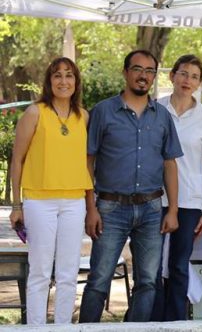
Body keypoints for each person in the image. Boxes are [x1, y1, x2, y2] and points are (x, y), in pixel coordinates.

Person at [79, 50, 183, 323]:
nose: (143, 75)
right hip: (110, 208)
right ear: (125, 72)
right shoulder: (103, 111)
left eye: (149, 71)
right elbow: (87, 162)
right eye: (137, 69)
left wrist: (172, 209)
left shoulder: (162, 116)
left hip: (151, 209)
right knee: (99, 281)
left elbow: (170, 164)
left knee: (148, 282)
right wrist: (90, 208)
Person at [8, 57, 93, 325]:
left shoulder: (84, 116)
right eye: (57, 75)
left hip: (73, 202)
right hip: (38, 201)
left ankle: (63, 328)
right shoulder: (35, 112)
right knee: (41, 271)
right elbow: (17, 160)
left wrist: (91, 205)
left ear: (76, 82)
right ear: (49, 81)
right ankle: (36, 329)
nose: (63, 81)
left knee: (68, 272)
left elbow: (88, 164)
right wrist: (16, 204)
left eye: (69, 75)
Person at [153, 55, 202, 321]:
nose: (187, 80)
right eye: (183, 73)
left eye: (194, 76)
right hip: (155, 199)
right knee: (152, 267)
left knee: (179, 266)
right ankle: (150, 321)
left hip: (191, 201)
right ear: (172, 76)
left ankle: (176, 322)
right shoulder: (155, 108)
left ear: (199, 83)